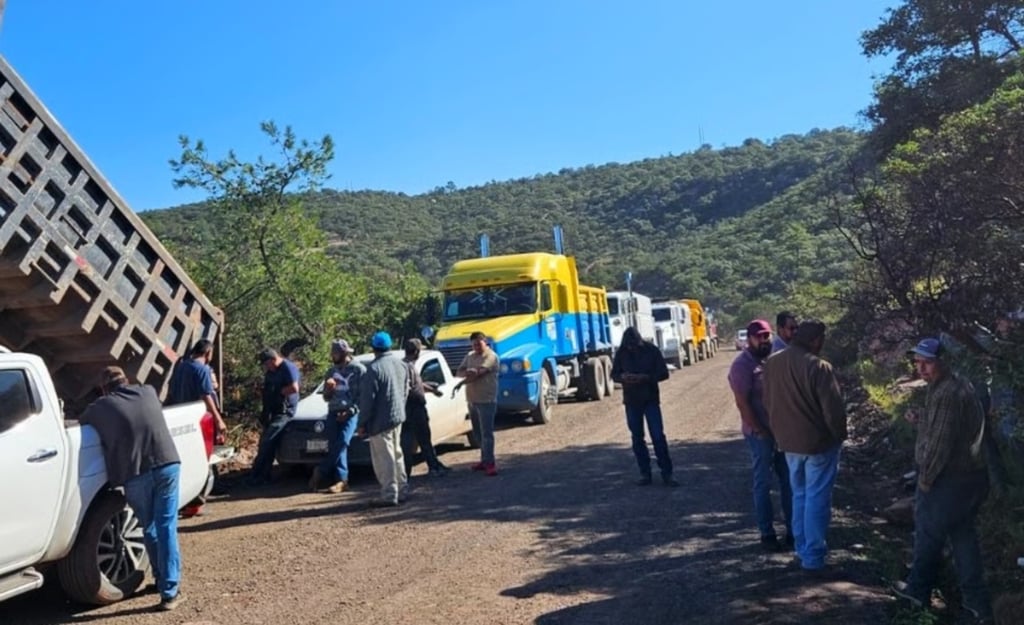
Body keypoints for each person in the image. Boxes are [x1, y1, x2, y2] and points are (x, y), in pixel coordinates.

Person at [892, 338, 993, 622]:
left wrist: (925, 481)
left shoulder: (948, 392)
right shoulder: (954, 385)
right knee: (963, 537)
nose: (921, 368)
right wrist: (922, 417)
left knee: (928, 535)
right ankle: (977, 605)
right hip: (971, 478)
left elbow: (940, 445)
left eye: (928, 362)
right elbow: (947, 426)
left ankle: (917, 592)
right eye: (918, 362)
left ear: (943, 362)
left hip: (949, 480)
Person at [79, 366, 184, 611]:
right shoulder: (148, 391)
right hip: (167, 465)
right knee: (166, 526)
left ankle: (163, 582)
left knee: (150, 527)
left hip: (135, 474)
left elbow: (82, 421)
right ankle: (169, 590)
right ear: (126, 380)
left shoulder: (100, 407)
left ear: (103, 389)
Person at [762, 320, 846, 571]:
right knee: (817, 498)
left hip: (788, 443)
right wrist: (839, 436)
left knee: (799, 495)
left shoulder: (773, 362)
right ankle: (814, 556)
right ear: (816, 340)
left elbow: (768, 401)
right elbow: (833, 410)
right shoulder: (819, 366)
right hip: (818, 444)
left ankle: (801, 548)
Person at [728, 319, 793, 552]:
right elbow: (742, 403)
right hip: (759, 434)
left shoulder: (774, 359)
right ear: (749, 339)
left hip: (781, 432)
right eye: (759, 337)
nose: (764, 340)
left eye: (767, 336)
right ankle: (767, 533)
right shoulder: (741, 366)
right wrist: (759, 429)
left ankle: (793, 532)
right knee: (763, 483)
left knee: (788, 481)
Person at [611, 326, 678, 487]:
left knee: (658, 437)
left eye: (633, 345)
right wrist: (623, 377)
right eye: (628, 346)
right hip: (631, 401)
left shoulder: (652, 351)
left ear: (639, 341)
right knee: (637, 438)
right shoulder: (621, 353)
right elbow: (614, 374)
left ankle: (667, 473)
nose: (631, 348)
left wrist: (646, 378)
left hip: (650, 399)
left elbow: (664, 373)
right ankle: (645, 474)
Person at [357, 331, 410, 507]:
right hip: (397, 416)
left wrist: (362, 423)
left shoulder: (373, 369)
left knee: (384, 459)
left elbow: (367, 401)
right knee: (397, 453)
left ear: (373, 348)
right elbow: (405, 390)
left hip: (380, 422)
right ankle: (402, 489)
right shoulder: (401, 365)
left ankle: (389, 494)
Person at [310, 339, 365, 494]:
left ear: (344, 353)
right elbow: (326, 398)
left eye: (335, 353)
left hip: (351, 412)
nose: (332, 356)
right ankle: (342, 480)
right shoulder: (330, 372)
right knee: (337, 445)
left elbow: (363, 396)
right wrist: (328, 390)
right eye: (332, 353)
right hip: (333, 412)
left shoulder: (359, 370)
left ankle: (321, 470)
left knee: (343, 441)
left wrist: (350, 411)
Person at [247, 348, 301, 486]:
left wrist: (279, 392)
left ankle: (256, 473)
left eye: (267, 364)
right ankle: (263, 475)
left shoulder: (287, 368)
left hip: (285, 411)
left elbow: (294, 388)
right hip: (273, 409)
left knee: (267, 439)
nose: (266, 367)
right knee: (266, 442)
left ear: (273, 359)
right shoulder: (271, 372)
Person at [402, 338, 450, 477]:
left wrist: (432, 390)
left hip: (413, 407)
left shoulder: (409, 365)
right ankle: (426, 469)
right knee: (418, 440)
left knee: (421, 439)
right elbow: (408, 388)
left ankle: (433, 464)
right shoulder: (407, 366)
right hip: (413, 408)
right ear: (416, 351)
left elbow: (418, 384)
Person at [457, 331, 500, 476]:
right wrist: (468, 372)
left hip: (486, 399)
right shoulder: (470, 356)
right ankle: (484, 459)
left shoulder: (491, 356)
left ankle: (490, 463)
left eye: (479, 344)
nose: (476, 347)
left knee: (487, 433)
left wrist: (469, 374)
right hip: (472, 399)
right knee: (477, 433)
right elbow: (459, 372)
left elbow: (479, 373)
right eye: (474, 344)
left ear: (485, 342)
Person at [166, 339, 227, 441]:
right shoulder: (203, 370)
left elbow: (172, 390)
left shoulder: (182, 366)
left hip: (179, 415)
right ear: (208, 352)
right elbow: (206, 396)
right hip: (194, 418)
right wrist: (218, 420)